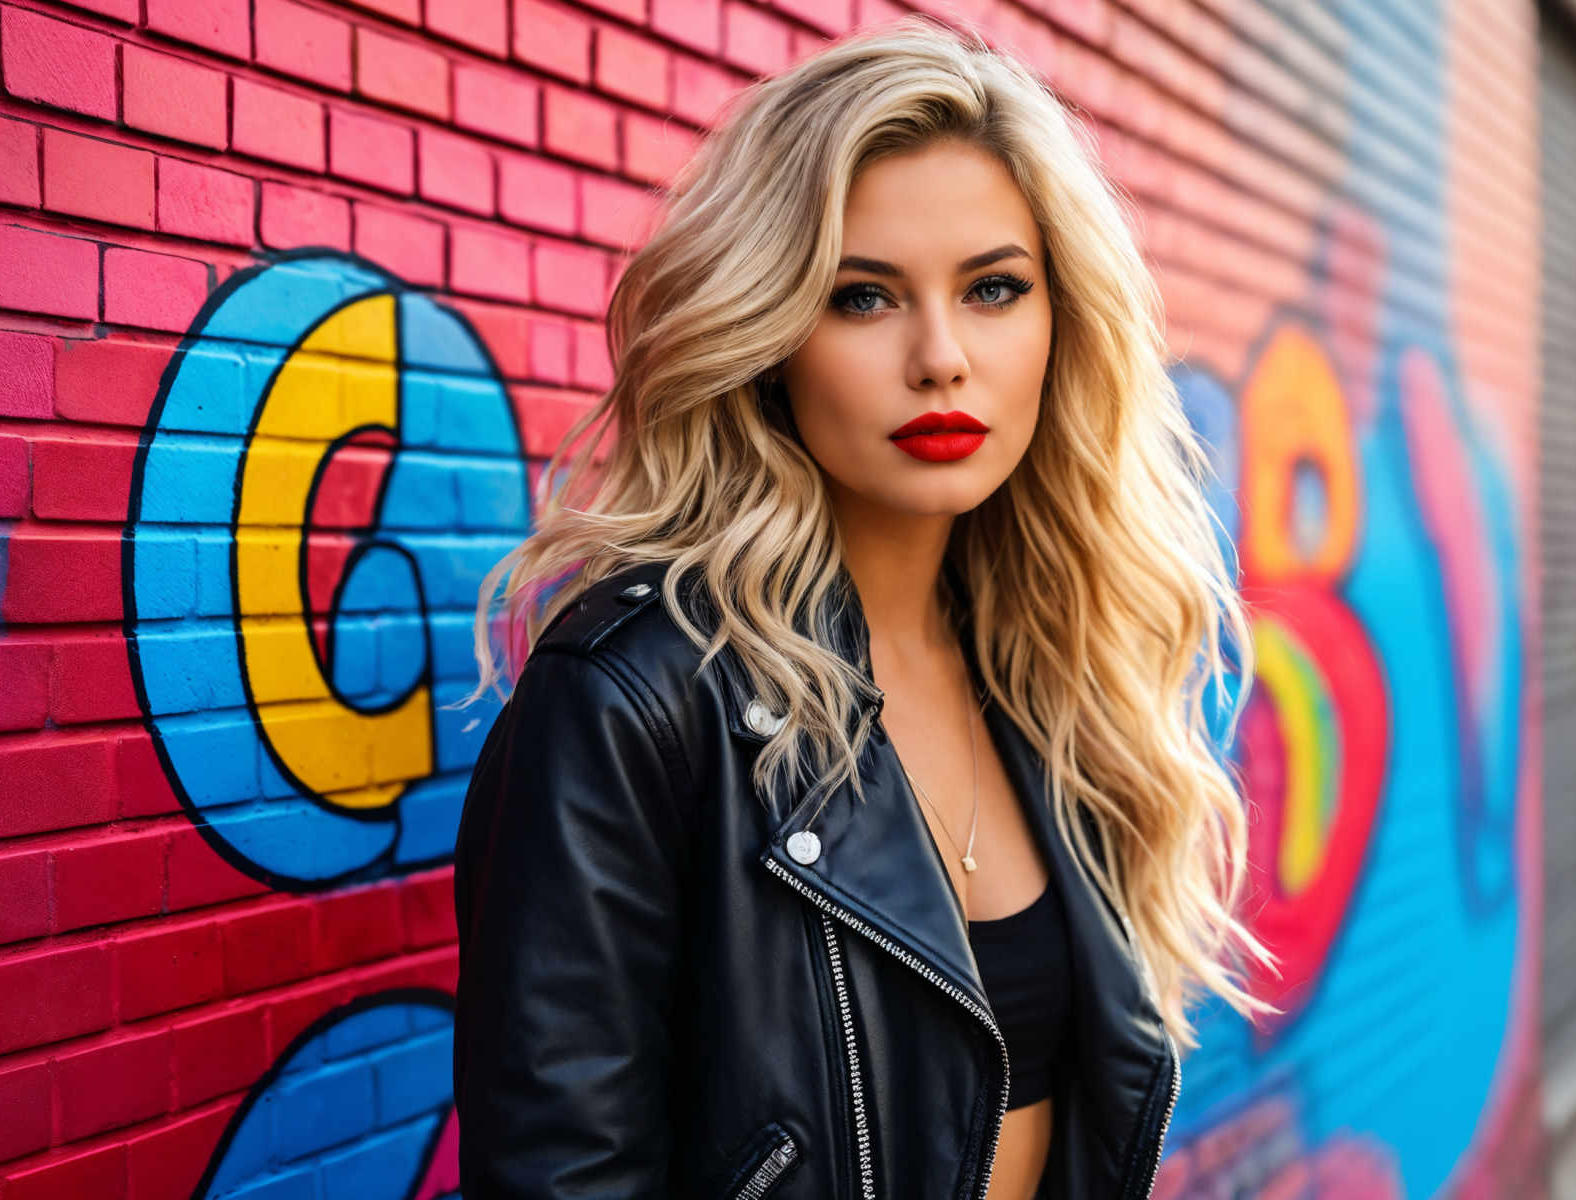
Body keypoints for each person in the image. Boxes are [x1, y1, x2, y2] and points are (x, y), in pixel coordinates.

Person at [451, 15, 1278, 1198]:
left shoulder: (1043, 664)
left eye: (993, 288)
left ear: (1060, 323)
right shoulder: (634, 697)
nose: (940, 356)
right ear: (770, 333)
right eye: (862, 299)